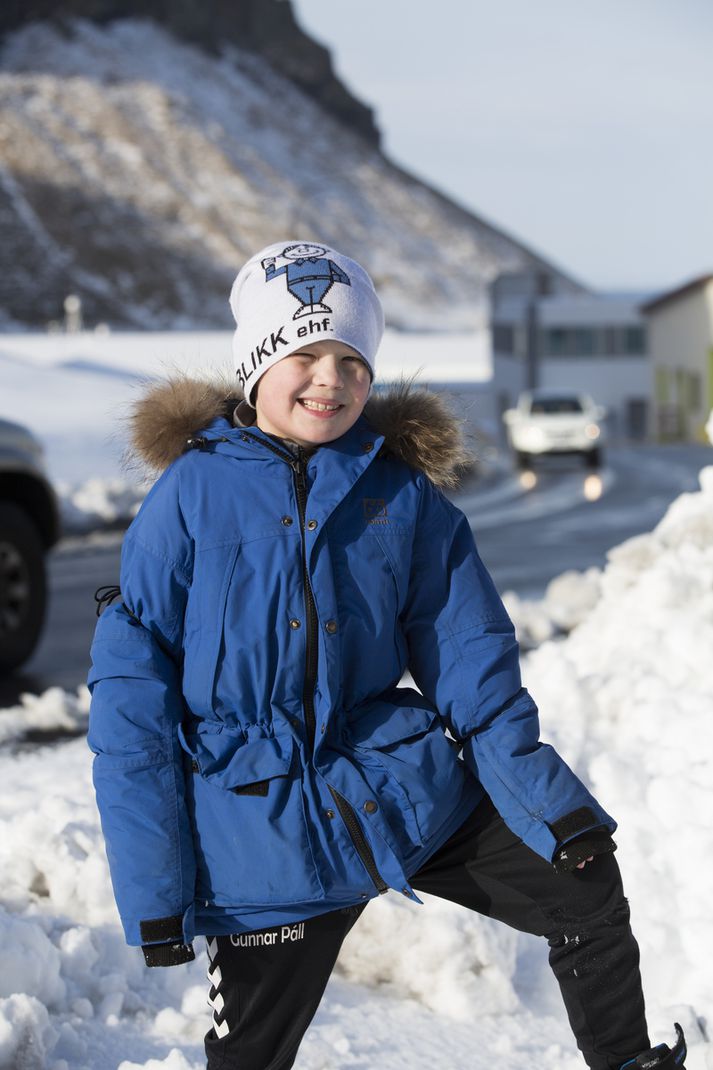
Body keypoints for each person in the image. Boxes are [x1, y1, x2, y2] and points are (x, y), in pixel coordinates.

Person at [88, 241, 687, 1070]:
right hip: (259, 831)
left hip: (394, 790)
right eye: (303, 353)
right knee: (248, 1057)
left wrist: (552, 811)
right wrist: (155, 891)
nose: (329, 378)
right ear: (257, 363)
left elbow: (469, 657)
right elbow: (130, 702)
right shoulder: (187, 497)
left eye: (350, 359)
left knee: (583, 884)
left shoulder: (399, 494)